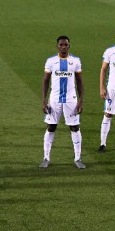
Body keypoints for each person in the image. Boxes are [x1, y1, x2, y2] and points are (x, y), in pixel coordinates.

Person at [41, 36, 85, 169]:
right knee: (51, 127)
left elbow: (80, 82)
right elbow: (45, 81)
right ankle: (46, 157)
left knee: (75, 127)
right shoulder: (51, 61)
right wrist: (43, 100)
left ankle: (77, 158)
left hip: (71, 100)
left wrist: (81, 101)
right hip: (54, 100)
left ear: (69, 46)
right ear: (57, 46)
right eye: (61, 45)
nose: (63, 47)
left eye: (66, 45)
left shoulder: (75, 61)